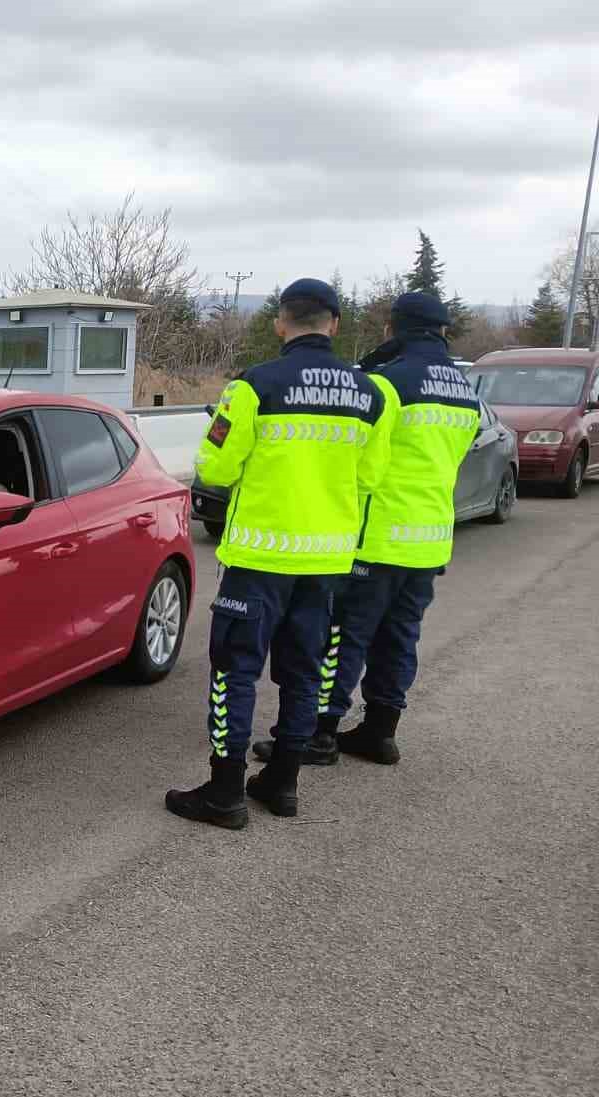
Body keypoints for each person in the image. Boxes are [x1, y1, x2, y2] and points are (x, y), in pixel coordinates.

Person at [165, 278, 392, 829]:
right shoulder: (373, 396)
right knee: (304, 673)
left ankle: (225, 793)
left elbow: (215, 469)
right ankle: (283, 782)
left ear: (280, 322)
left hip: (258, 560)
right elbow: (372, 477)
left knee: (235, 674)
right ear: (334, 324)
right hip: (327, 562)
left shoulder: (253, 387)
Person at [253, 292, 477, 768]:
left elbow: (360, 456)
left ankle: (320, 732)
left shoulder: (388, 383)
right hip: (430, 537)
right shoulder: (464, 389)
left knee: (343, 636)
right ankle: (380, 731)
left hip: (377, 535)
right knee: (400, 635)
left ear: (395, 329)